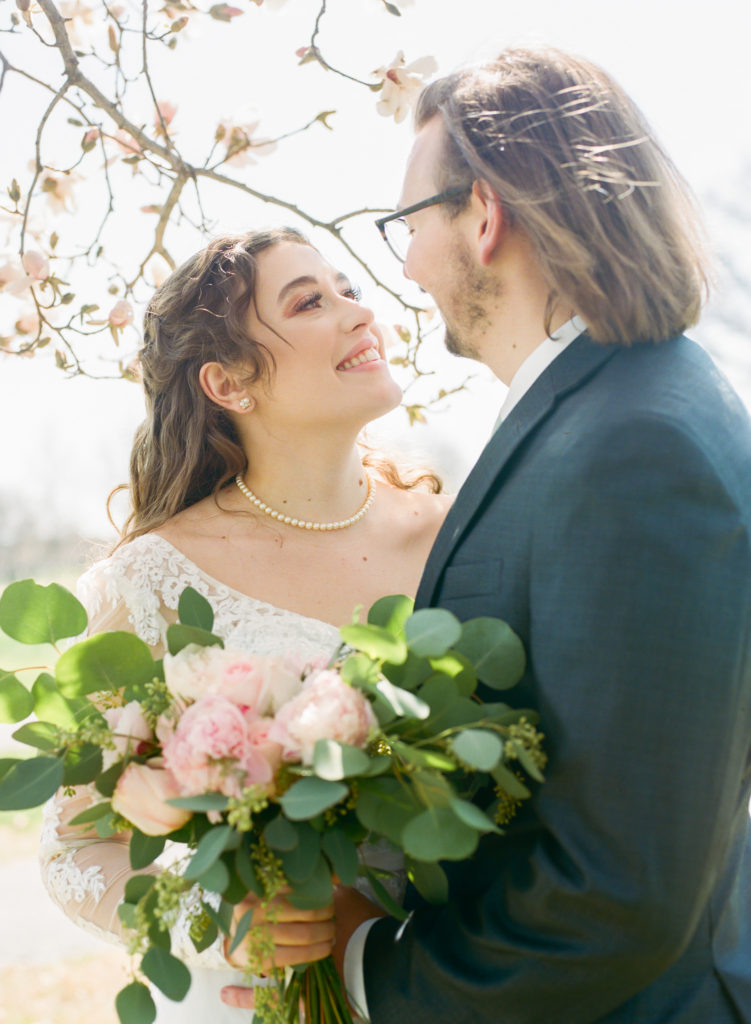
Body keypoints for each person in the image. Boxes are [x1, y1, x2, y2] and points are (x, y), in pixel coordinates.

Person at [234, 46, 751, 1023]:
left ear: (483, 216)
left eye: (405, 226)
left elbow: (615, 890)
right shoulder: (608, 409)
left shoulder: (632, 447)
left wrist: (365, 973)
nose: (407, 269)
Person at [38, 226, 452, 1023]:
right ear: (229, 383)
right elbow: (72, 849)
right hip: (253, 999)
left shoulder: (461, 535)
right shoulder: (151, 581)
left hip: (449, 984)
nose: (357, 314)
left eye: (347, 290)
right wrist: (218, 923)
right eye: (309, 302)